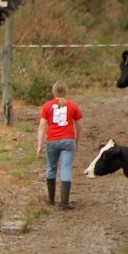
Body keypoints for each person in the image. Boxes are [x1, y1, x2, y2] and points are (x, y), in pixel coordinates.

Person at [37, 81, 83, 209]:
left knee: (51, 168)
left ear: (54, 91)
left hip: (52, 141)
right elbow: (79, 127)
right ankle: (65, 202)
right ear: (66, 91)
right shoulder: (73, 106)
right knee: (66, 168)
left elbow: (42, 127)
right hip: (68, 141)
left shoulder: (47, 106)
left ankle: (51, 200)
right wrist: (76, 141)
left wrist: (39, 145)